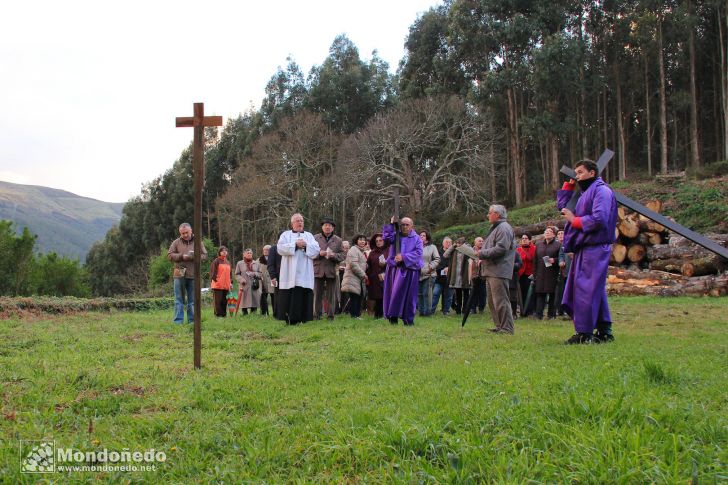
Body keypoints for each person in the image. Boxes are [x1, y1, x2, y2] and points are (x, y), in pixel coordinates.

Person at [558, 159, 618, 344]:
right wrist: (568, 186)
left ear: (592, 173)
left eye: (580, 172)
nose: (577, 176)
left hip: (595, 246)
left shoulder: (602, 191)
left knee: (585, 289)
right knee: (593, 289)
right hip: (584, 247)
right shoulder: (585, 193)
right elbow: (563, 208)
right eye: (575, 173)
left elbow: (599, 218)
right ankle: (605, 330)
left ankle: (584, 333)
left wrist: (575, 221)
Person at [478, 205, 517, 334]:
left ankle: (507, 328)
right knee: (492, 301)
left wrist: (481, 253)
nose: (488, 215)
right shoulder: (496, 228)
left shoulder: (504, 228)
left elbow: (501, 249)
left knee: (501, 300)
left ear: (497, 214)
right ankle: (499, 325)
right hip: (491, 270)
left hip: (499, 270)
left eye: (490, 213)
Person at [277, 213, 320, 324]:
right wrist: (295, 245)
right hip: (289, 271)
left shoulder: (309, 236)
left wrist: (306, 246)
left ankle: (304, 318)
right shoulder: (285, 235)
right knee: (290, 295)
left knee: (304, 294)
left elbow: (316, 250)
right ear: (292, 224)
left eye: (301, 220)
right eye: (297, 221)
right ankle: (290, 319)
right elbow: (280, 248)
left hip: (305, 272)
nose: (300, 222)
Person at [382, 216, 423, 326]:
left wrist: (404, 257)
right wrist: (391, 224)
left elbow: (418, 253)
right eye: (402, 224)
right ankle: (393, 317)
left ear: (411, 226)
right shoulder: (396, 235)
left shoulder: (417, 238)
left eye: (407, 225)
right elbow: (386, 239)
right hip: (394, 269)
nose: (404, 227)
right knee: (393, 294)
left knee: (410, 296)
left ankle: (408, 319)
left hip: (410, 270)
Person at [167, 222, 208, 324]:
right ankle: (178, 321)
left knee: (192, 300)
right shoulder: (176, 243)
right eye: (182, 233)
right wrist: (181, 256)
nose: (185, 235)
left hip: (194, 273)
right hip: (179, 272)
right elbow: (170, 256)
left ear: (191, 231)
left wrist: (195, 256)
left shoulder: (198, 242)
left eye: (186, 232)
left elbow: (205, 256)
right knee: (178, 299)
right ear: (180, 233)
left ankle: (192, 321)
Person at [313, 218, 346, 321]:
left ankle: (331, 316)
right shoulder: (315, 238)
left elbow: (343, 255)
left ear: (333, 228)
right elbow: (309, 253)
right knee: (317, 294)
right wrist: (319, 253)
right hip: (318, 270)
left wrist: (333, 255)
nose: (327, 227)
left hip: (331, 270)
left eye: (330, 225)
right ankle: (316, 315)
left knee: (331, 295)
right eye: (325, 225)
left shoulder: (338, 240)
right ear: (322, 227)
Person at [533, 227, 561, 320]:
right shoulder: (538, 244)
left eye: (550, 232)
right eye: (546, 231)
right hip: (540, 273)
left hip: (552, 273)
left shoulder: (558, 245)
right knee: (540, 294)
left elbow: (561, 258)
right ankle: (538, 314)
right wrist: (535, 273)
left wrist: (555, 260)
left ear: (554, 234)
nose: (547, 233)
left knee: (552, 294)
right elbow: (535, 260)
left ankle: (551, 315)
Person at [443, 237, 475, 315]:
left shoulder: (467, 249)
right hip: (456, 275)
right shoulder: (454, 250)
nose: (458, 244)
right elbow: (445, 255)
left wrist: (466, 246)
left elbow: (474, 254)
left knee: (466, 292)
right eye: (457, 243)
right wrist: (453, 246)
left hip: (465, 274)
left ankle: (465, 310)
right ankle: (458, 310)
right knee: (458, 293)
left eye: (460, 243)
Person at [341, 234, 369, 319]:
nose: (362, 241)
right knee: (354, 297)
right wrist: (363, 275)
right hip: (352, 277)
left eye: (364, 240)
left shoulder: (360, 251)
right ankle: (354, 316)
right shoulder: (353, 249)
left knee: (358, 296)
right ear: (356, 241)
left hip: (357, 278)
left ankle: (356, 315)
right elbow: (354, 265)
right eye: (360, 239)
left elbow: (362, 264)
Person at [418, 230, 440, 317]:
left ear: (427, 237)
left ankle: (427, 313)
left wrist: (431, 267)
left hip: (429, 274)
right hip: (417, 274)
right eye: (420, 235)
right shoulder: (416, 247)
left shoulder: (432, 247)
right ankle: (421, 312)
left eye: (423, 235)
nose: (421, 236)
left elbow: (437, 259)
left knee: (427, 294)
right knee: (419, 294)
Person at [365, 233, 388, 318]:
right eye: (377, 241)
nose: (378, 242)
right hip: (374, 278)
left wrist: (385, 264)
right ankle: (377, 315)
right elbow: (368, 265)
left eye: (380, 240)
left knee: (385, 296)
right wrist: (367, 273)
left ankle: (385, 314)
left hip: (386, 277)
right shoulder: (372, 253)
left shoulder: (389, 250)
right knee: (376, 297)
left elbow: (394, 263)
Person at [235, 248, 262, 315]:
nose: (249, 254)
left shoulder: (256, 263)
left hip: (254, 284)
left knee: (254, 299)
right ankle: (244, 313)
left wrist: (255, 274)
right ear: (244, 254)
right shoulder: (240, 263)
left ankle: (254, 313)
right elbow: (237, 274)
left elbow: (260, 273)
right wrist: (241, 279)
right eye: (248, 253)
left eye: (250, 253)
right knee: (244, 300)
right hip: (244, 285)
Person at [431, 237, 453, 315]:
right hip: (439, 278)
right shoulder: (438, 252)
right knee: (435, 294)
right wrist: (443, 269)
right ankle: (431, 310)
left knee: (448, 296)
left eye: (450, 242)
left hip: (450, 278)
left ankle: (446, 311)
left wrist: (449, 268)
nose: (448, 244)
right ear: (443, 243)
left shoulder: (453, 253)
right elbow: (435, 263)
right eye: (447, 242)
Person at [516, 234, 536, 316]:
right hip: (520, 274)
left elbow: (535, 261)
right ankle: (522, 311)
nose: (524, 240)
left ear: (530, 240)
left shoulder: (534, 249)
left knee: (530, 293)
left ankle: (529, 311)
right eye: (522, 238)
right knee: (521, 293)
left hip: (530, 274)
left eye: (526, 238)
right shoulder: (518, 249)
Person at [210, 246, 232, 318]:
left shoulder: (228, 262)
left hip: (226, 285)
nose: (224, 252)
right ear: (219, 252)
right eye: (222, 251)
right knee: (218, 302)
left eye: (226, 251)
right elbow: (213, 273)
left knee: (224, 301)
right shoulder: (216, 261)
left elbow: (230, 274)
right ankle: (218, 315)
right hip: (218, 285)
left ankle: (224, 315)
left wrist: (230, 282)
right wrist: (217, 281)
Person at [555, 230, 573, 317]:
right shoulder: (564, 244)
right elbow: (561, 255)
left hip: (575, 272)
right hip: (565, 272)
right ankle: (563, 310)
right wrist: (561, 261)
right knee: (563, 292)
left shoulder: (578, 241)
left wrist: (574, 256)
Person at [468, 237, 487, 314]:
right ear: (475, 242)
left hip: (483, 275)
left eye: (482, 241)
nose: (481, 242)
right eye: (479, 241)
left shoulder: (485, 251)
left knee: (483, 293)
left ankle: (481, 308)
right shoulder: (470, 251)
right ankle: (473, 308)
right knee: (473, 292)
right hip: (473, 275)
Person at [267, 239, 281, 319]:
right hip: (276, 276)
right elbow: (270, 264)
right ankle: (277, 314)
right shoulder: (274, 249)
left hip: (289, 276)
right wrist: (273, 276)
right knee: (277, 294)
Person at [258, 245, 274, 316]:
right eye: (264, 249)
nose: (265, 251)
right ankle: (263, 313)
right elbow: (256, 270)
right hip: (263, 282)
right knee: (263, 298)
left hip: (272, 281)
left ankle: (275, 313)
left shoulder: (274, 259)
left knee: (274, 297)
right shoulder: (258, 260)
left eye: (267, 249)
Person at [337, 240, 351, 314]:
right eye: (344, 248)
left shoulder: (351, 255)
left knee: (347, 293)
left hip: (348, 276)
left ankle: (346, 310)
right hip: (339, 275)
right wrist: (338, 267)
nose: (345, 250)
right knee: (339, 293)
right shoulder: (338, 254)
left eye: (347, 248)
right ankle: (338, 309)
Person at [510, 250, 523, 319]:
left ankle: (513, 313)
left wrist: (510, 265)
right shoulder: (500, 252)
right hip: (502, 278)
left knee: (513, 297)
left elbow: (520, 264)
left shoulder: (515, 253)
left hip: (512, 278)